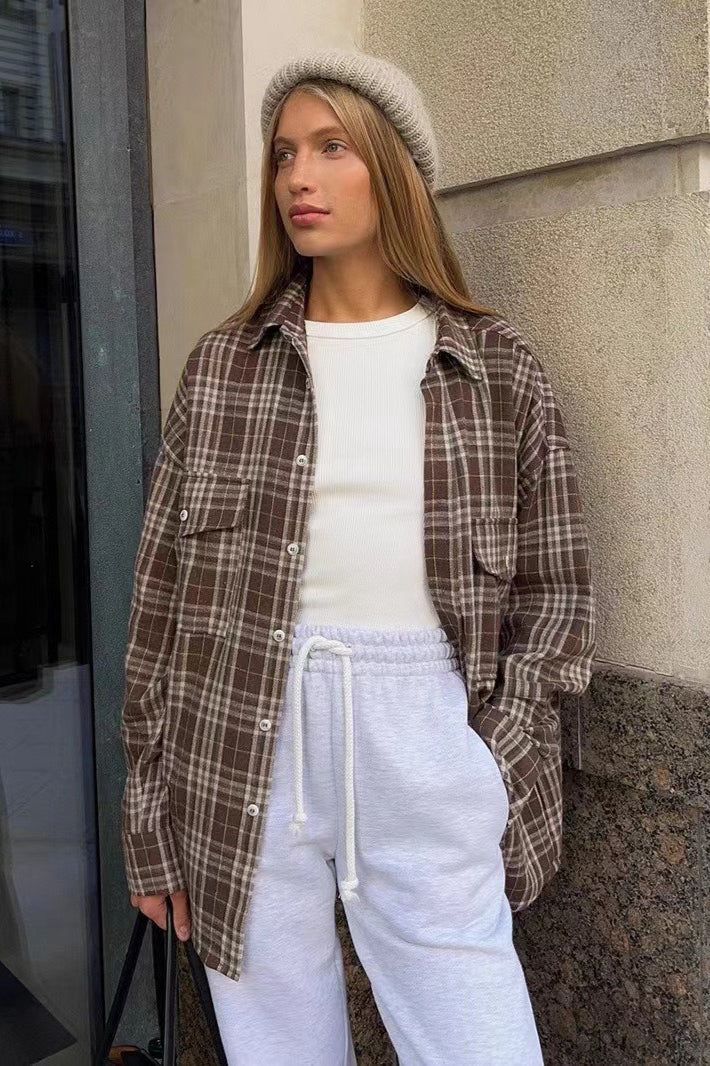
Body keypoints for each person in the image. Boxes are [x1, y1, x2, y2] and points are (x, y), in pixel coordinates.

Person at [120, 46, 596, 1065]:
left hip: (421, 740)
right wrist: (150, 818)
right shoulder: (224, 367)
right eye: (285, 153)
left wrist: (489, 763)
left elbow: (556, 599)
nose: (299, 175)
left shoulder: (493, 365)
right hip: (240, 737)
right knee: (277, 1047)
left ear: (394, 168)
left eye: (332, 146)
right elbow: (160, 603)